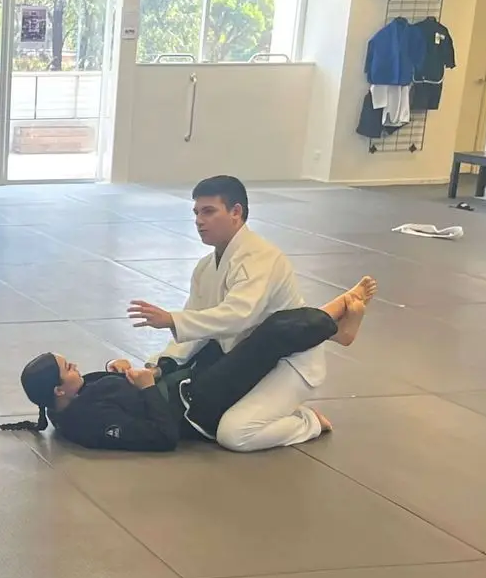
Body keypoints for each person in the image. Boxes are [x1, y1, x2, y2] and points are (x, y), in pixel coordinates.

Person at [0, 279, 377, 451]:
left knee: (229, 324)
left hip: (178, 382)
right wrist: (143, 387)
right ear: (59, 390)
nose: (76, 367)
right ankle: (336, 320)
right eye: (68, 368)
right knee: (266, 340)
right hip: (198, 410)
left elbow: (102, 386)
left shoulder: (73, 397)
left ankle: (329, 325)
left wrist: (116, 367)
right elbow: (161, 438)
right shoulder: (85, 426)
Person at [126, 175, 335, 453]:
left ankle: (309, 421)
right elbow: (196, 325)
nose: (199, 221)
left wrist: (173, 320)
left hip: (291, 362)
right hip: (244, 362)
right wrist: (160, 363)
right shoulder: (204, 267)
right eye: (197, 213)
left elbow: (238, 315)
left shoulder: (261, 258)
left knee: (234, 434)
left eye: (209, 211)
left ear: (236, 212)